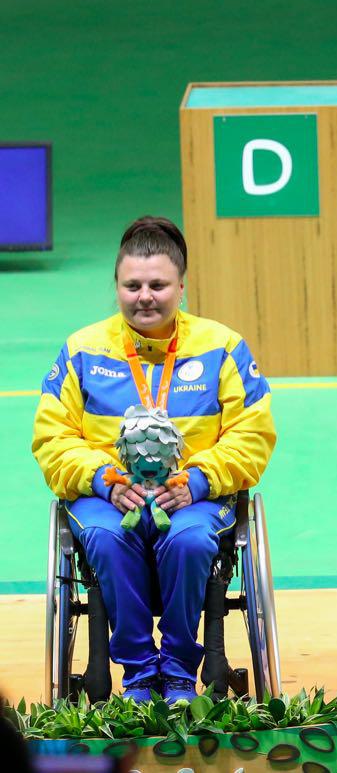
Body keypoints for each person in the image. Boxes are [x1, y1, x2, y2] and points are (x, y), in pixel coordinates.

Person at [32, 216, 277, 703]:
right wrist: (101, 479)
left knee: (187, 542)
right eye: (133, 285)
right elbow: (51, 438)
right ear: (117, 287)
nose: (145, 295)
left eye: (158, 285)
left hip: (192, 499)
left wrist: (201, 479)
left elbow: (253, 434)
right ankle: (141, 673)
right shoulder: (81, 351)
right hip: (108, 497)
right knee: (103, 536)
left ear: (181, 288)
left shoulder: (223, 347)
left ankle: (180, 672)